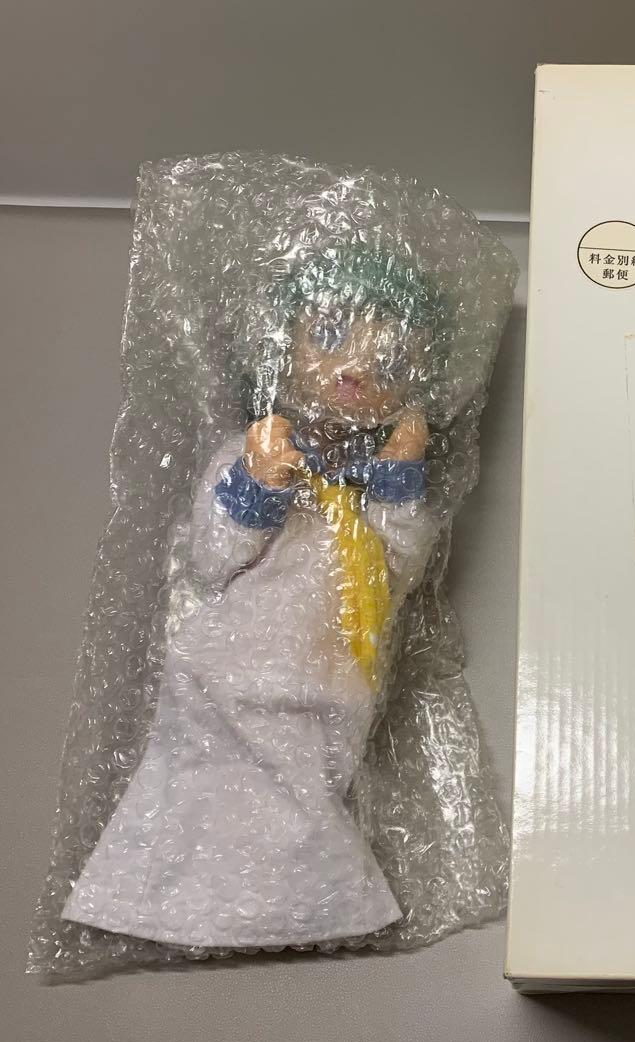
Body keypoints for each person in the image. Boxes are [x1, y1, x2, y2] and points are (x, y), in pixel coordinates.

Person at [62, 248, 442, 947]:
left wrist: (398, 481)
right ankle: (166, 897)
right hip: (230, 673)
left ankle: (304, 904)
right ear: (279, 349)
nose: (356, 367)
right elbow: (213, 556)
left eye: (387, 358)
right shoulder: (248, 453)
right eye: (329, 335)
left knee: (307, 795)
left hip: (330, 683)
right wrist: (261, 482)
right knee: (205, 786)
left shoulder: (371, 487)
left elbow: (400, 571)